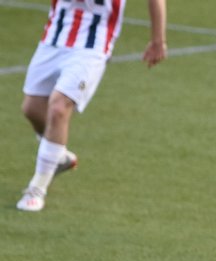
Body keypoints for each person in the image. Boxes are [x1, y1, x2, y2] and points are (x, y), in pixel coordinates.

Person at [16, 0, 168, 212]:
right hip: (53, 37)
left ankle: (37, 189)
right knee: (31, 109)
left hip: (92, 47)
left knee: (59, 108)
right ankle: (58, 157)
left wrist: (158, 40)